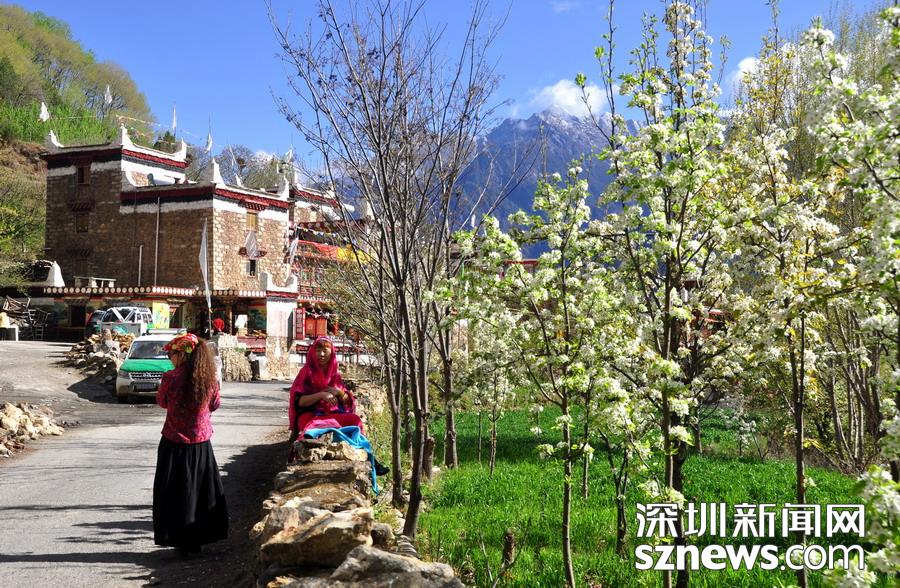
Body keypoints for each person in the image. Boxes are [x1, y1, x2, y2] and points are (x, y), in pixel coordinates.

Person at [153, 333, 228, 556]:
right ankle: (198, 539)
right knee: (200, 491)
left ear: (182, 355)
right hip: (201, 444)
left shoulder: (170, 378)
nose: (170, 359)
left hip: (173, 442)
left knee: (175, 492)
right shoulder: (209, 379)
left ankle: (180, 540)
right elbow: (215, 404)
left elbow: (162, 402)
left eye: (172, 354)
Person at [288, 336, 388, 476]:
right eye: (318, 350)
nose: (321, 354)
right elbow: (299, 402)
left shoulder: (335, 375)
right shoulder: (306, 372)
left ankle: (369, 458)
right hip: (311, 414)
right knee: (309, 428)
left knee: (355, 420)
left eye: (325, 350)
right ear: (312, 352)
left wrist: (340, 393)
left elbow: (347, 402)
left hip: (331, 414)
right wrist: (321, 395)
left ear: (332, 352)